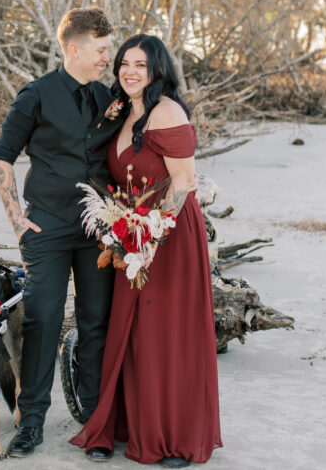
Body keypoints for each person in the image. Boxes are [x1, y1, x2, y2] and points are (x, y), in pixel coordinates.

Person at [70, 34, 222, 467]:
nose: (130, 71)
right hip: (130, 234)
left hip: (168, 236)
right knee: (133, 332)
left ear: (157, 71)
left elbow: (183, 183)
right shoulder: (120, 111)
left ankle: (174, 438)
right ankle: (129, 426)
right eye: (124, 64)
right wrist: (123, 229)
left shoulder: (167, 111)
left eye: (140, 64)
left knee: (166, 334)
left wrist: (153, 234)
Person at [0, 6, 123, 458]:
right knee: (43, 320)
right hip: (45, 228)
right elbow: (3, 157)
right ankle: (30, 423)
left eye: (109, 50)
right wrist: (15, 221)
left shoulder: (109, 97)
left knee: (95, 322)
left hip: (97, 230)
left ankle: (95, 422)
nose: (108, 58)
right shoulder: (36, 95)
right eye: (101, 50)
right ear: (74, 49)